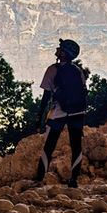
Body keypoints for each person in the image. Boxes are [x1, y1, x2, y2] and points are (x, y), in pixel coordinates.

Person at [33, 37, 87, 188]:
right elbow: (83, 92)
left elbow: (45, 98)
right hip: (78, 112)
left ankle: (39, 179)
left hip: (59, 113)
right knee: (76, 146)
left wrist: (39, 119)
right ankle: (74, 180)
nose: (57, 50)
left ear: (63, 54)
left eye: (60, 48)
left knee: (49, 146)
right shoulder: (78, 70)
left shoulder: (52, 70)